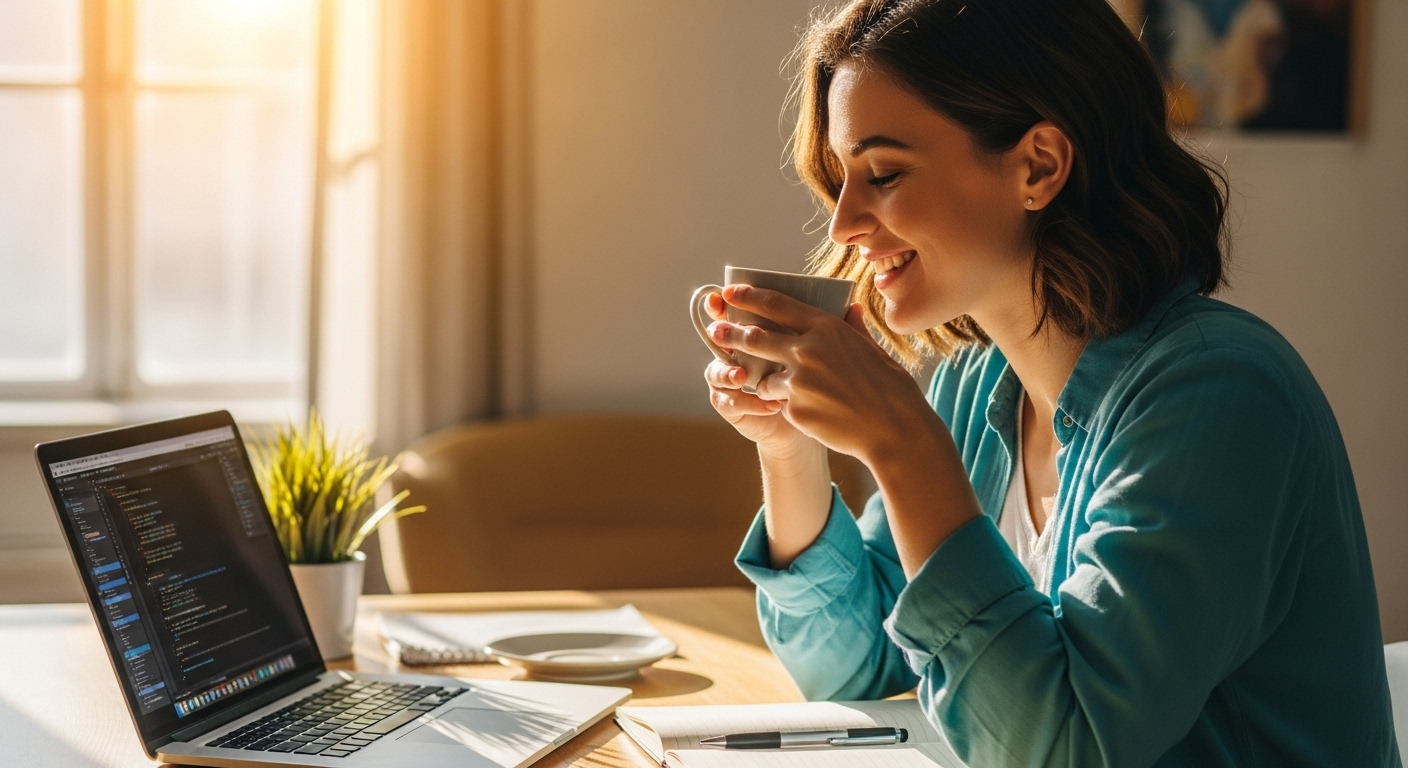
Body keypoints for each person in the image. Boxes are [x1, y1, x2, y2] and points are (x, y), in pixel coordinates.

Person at [699, 0, 1399, 765]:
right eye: (839, 180)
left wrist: (903, 444)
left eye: (885, 173)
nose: (842, 225)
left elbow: (1064, 746)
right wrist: (789, 446)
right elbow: (855, 665)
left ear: (1038, 165)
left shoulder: (1218, 395)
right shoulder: (974, 383)